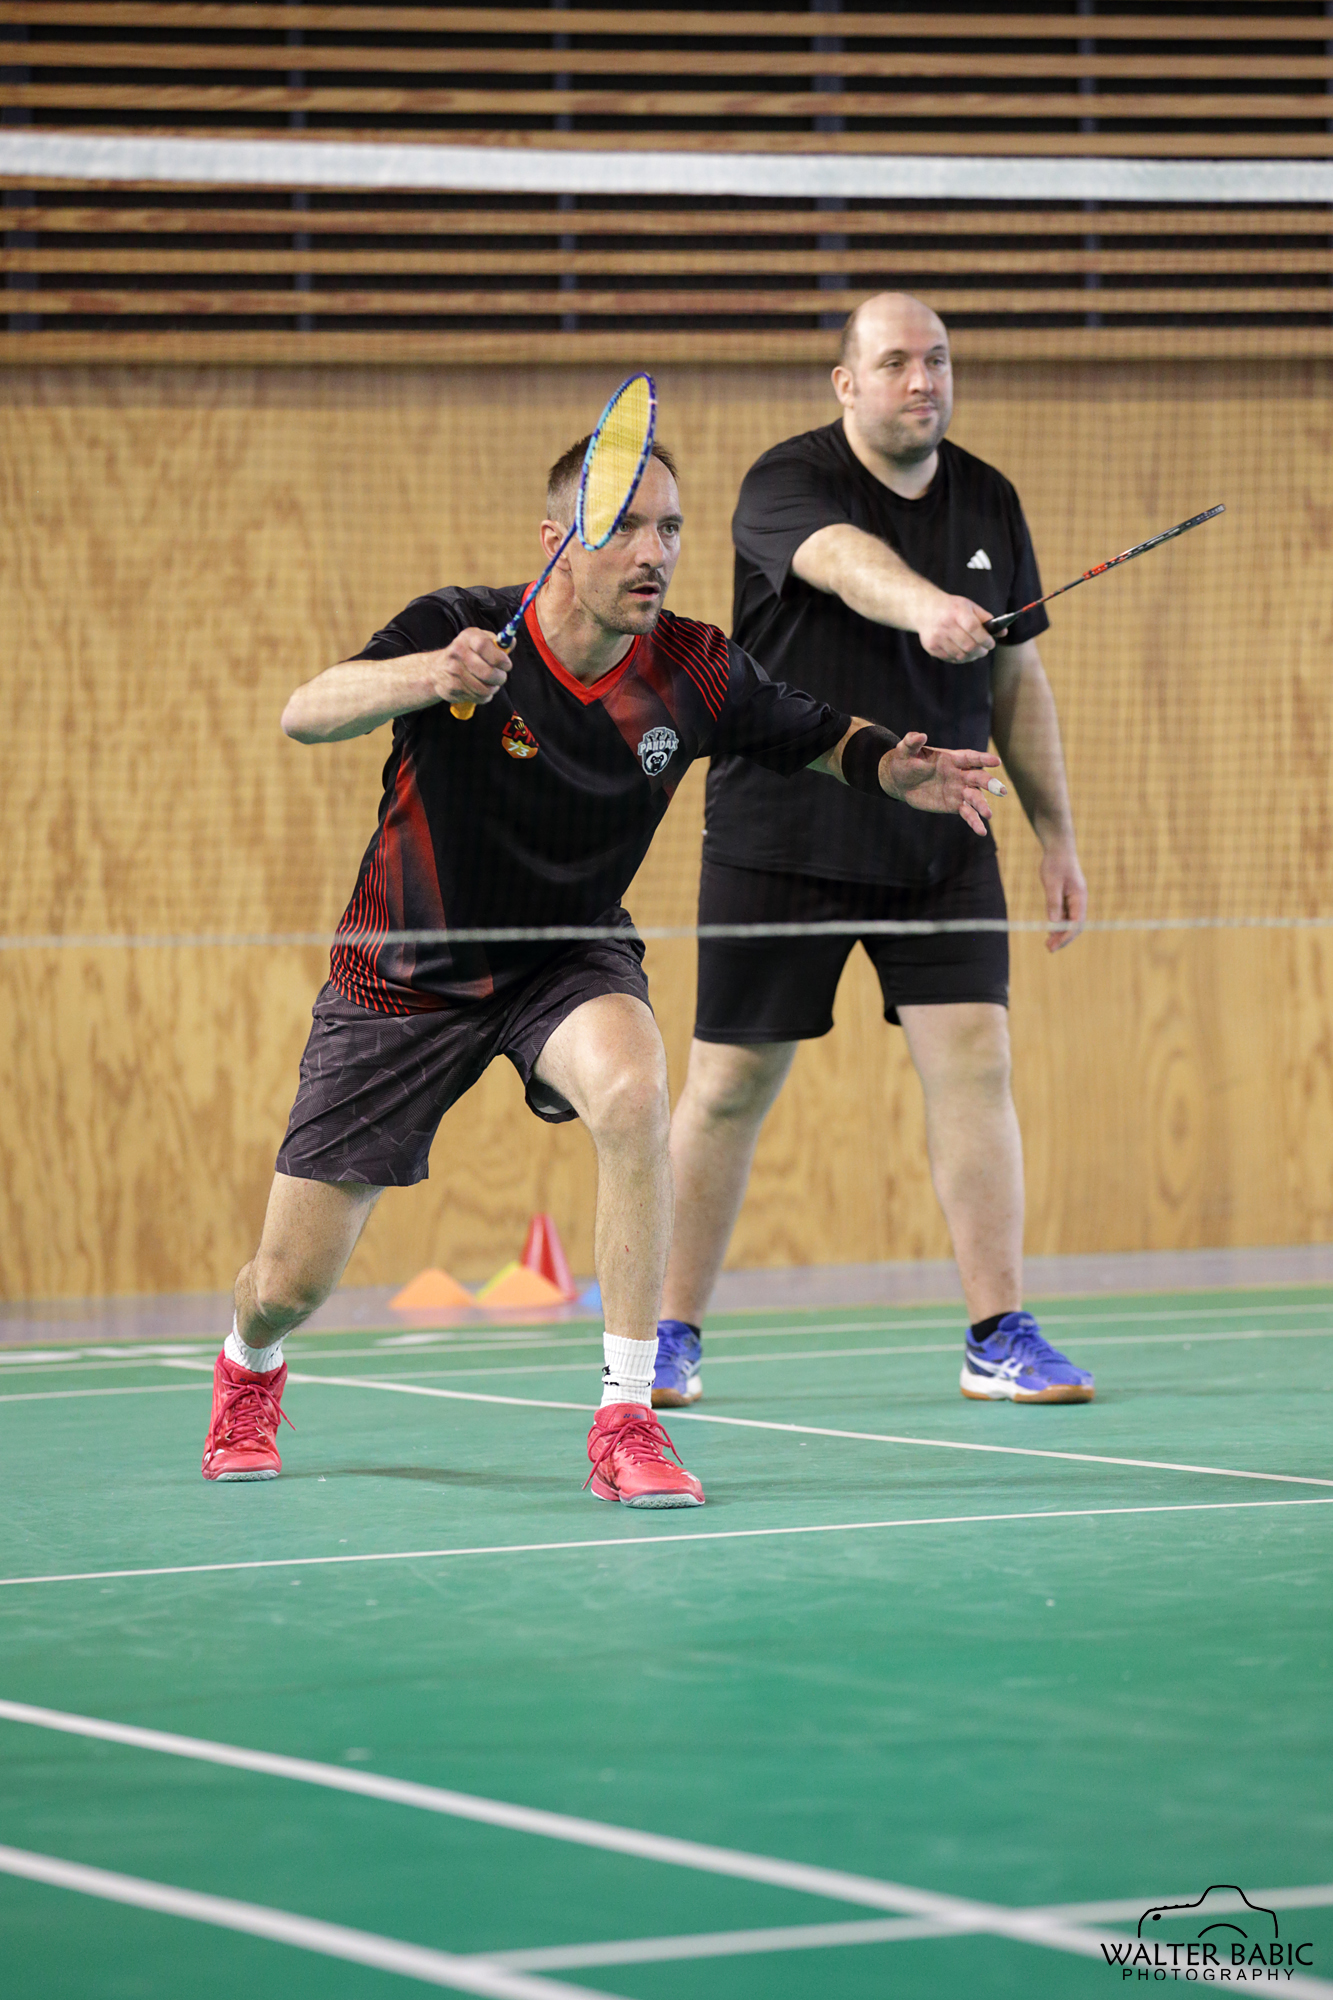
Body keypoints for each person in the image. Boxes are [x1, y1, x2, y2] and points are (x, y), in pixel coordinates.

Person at [200, 430, 1004, 1506]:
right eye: (624, 525)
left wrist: (890, 768)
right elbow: (305, 711)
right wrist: (429, 676)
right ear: (556, 540)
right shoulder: (463, 627)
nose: (653, 550)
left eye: (668, 527)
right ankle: (249, 1364)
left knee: (633, 1088)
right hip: (402, 973)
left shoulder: (693, 666)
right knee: (289, 1283)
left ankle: (627, 1415)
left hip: (567, 956)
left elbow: (812, 732)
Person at [656, 292, 1095, 1412]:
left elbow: (1016, 678)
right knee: (728, 1086)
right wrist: (927, 607)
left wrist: (1056, 835)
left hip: (943, 834)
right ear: (846, 383)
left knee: (977, 1067)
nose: (921, 380)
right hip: (781, 832)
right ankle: (664, 1331)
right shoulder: (785, 481)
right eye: (894, 361)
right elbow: (841, 561)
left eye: (936, 359)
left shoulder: (989, 497)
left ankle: (998, 1332)